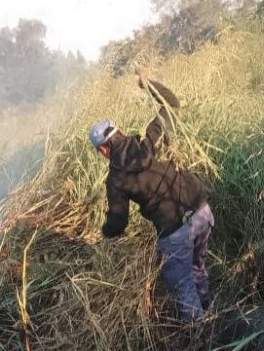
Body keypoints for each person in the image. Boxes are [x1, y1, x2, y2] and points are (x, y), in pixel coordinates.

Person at [88, 68, 213, 322]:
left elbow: (118, 223)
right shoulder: (151, 138)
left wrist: (105, 233)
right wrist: (147, 83)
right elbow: (171, 103)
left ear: (102, 149)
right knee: (197, 266)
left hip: (175, 230)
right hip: (202, 211)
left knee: (182, 286)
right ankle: (208, 309)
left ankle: (202, 337)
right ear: (119, 132)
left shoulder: (116, 180)